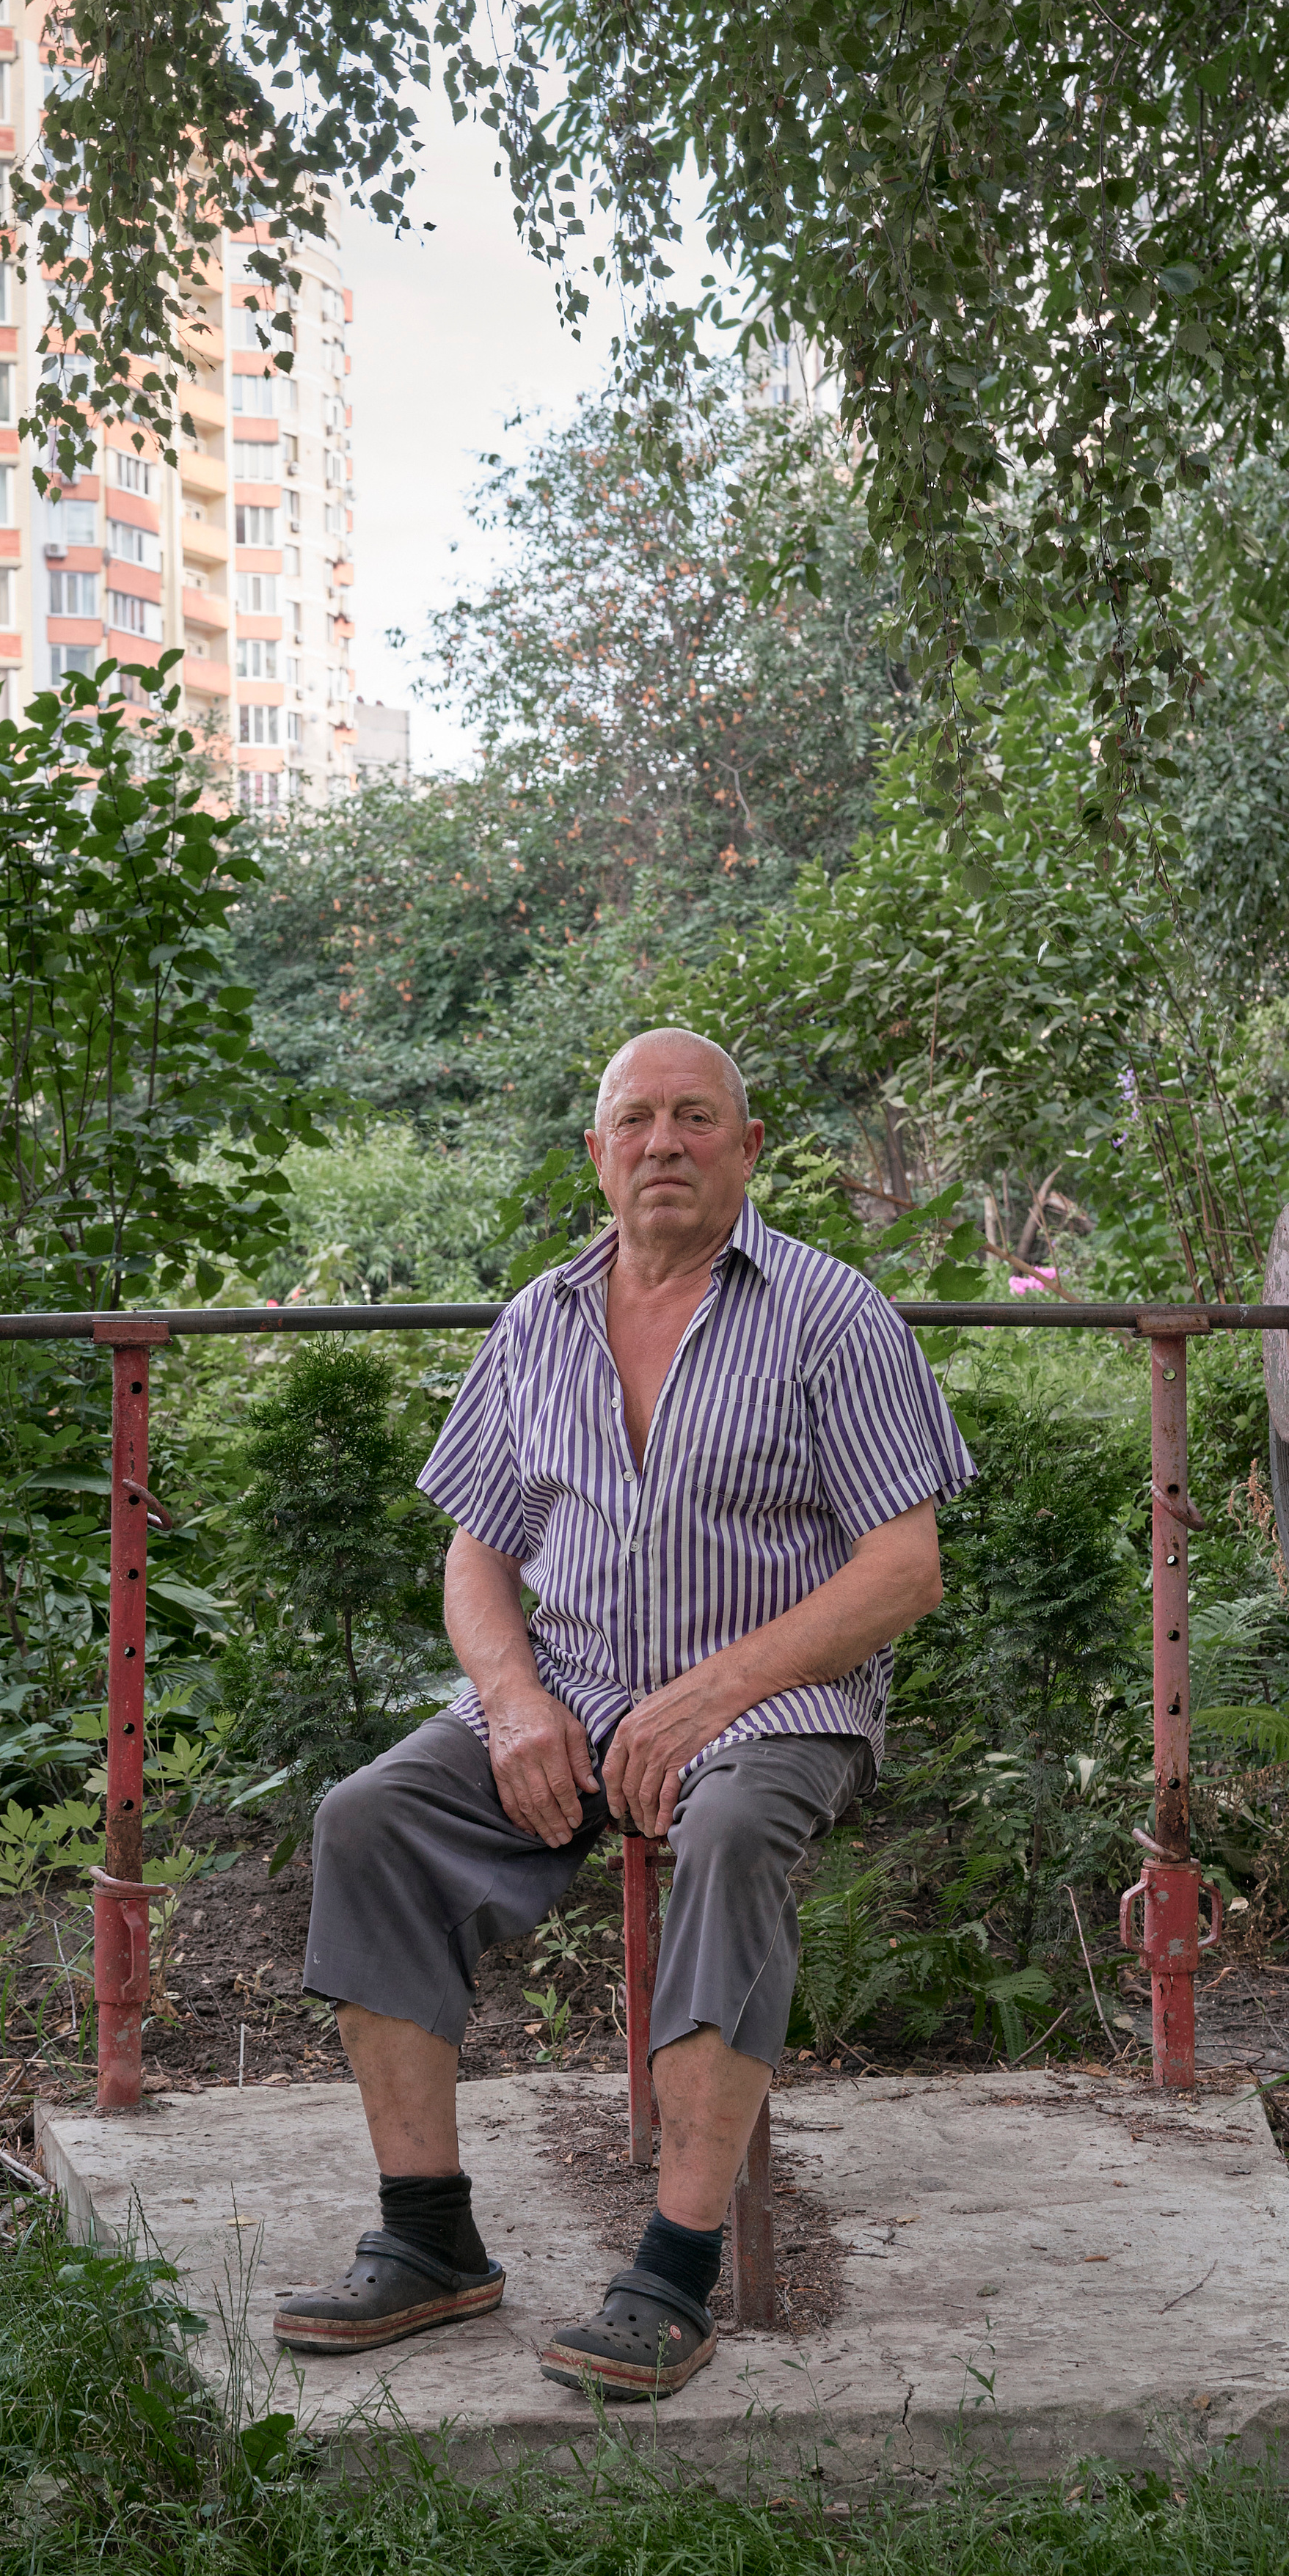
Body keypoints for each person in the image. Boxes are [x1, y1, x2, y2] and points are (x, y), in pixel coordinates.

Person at [277, 1028, 974, 2398]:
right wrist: (516, 1698)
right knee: (369, 1820)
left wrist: (704, 1697)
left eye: (697, 1118)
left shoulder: (834, 1317)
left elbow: (905, 1571)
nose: (665, 1143)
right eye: (636, 1121)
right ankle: (429, 2242)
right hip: (574, 1694)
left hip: (774, 1701)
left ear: (749, 1147)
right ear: (597, 1155)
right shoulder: (540, 1320)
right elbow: (476, 1554)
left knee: (723, 1841)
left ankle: (672, 2274)